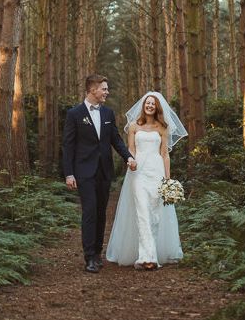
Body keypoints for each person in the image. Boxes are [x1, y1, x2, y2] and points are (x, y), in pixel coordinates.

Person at [62, 74, 137, 273]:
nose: (107, 92)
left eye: (107, 88)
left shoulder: (108, 114)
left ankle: (97, 252)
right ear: (92, 90)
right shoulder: (74, 114)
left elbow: (116, 139)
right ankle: (89, 258)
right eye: (104, 89)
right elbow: (68, 146)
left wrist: (128, 157)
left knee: (101, 213)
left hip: (104, 171)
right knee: (90, 212)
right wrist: (69, 173)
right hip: (84, 172)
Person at [106, 91, 187, 269]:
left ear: (157, 107)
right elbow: (131, 149)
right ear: (143, 106)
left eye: (153, 104)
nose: (149, 106)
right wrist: (130, 160)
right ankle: (147, 258)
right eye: (147, 103)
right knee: (142, 212)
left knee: (155, 214)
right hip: (138, 173)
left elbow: (165, 154)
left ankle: (152, 252)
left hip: (157, 172)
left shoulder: (162, 128)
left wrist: (168, 179)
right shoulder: (134, 126)